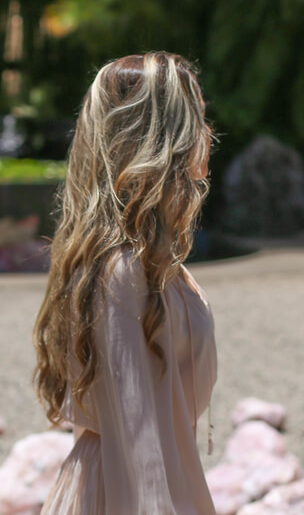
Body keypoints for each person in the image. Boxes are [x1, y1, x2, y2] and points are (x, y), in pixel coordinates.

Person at [33, 52, 217, 514]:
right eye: (196, 119)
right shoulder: (122, 270)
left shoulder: (153, 260)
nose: (208, 133)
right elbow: (136, 439)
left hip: (152, 479)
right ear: (165, 137)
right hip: (124, 492)